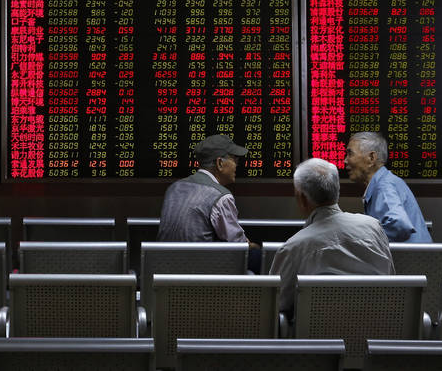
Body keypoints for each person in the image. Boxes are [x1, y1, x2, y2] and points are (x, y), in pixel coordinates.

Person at [269, 157, 394, 319]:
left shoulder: (293, 248)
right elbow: (391, 282)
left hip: (319, 341)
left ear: (302, 198)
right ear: (337, 190)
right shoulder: (374, 227)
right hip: (376, 336)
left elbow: (275, 304)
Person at [157, 134, 262, 272]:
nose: (237, 165)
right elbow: (238, 245)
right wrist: (254, 246)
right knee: (258, 255)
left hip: (164, 272)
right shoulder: (221, 196)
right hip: (201, 275)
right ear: (219, 163)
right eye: (234, 159)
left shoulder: (174, 188)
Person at [345, 131, 432, 243]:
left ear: (371, 158)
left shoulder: (384, 186)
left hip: (413, 260)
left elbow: (400, 225)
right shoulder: (385, 181)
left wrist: (361, 239)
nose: (345, 160)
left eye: (350, 154)